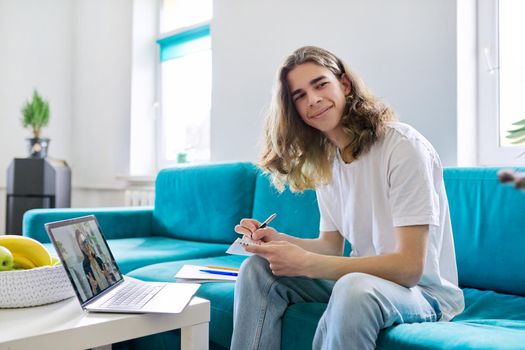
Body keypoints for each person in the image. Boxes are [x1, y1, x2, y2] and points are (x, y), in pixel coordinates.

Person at [231, 46, 464, 350]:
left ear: (344, 85)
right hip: (364, 280)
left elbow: (409, 268)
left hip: (423, 292)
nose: (313, 99)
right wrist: (277, 241)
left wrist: (310, 264)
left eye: (320, 84)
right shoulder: (329, 162)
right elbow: (330, 246)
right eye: (299, 95)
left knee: (354, 287)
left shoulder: (403, 147)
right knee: (257, 269)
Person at [75, 228, 111, 295]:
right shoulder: (85, 265)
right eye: (82, 245)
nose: (85, 246)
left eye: (85, 241)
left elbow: (111, 282)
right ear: (80, 248)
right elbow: (93, 294)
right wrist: (94, 288)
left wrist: (108, 277)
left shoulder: (98, 259)